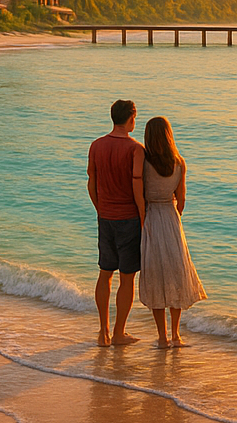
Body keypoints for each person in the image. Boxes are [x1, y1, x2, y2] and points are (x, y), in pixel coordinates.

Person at [139, 115, 206, 348]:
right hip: (171, 218)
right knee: (176, 275)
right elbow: (182, 200)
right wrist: (173, 214)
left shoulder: (143, 163)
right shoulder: (179, 162)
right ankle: (176, 335)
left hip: (151, 218)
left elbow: (139, 193)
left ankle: (162, 337)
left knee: (156, 277)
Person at [87, 99, 145, 346]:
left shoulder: (96, 145)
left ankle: (103, 332)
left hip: (105, 216)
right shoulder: (136, 149)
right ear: (131, 117)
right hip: (129, 219)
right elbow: (137, 187)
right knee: (127, 278)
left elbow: (91, 181)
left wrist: (100, 208)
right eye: (135, 117)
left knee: (104, 272)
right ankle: (119, 331)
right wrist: (144, 219)